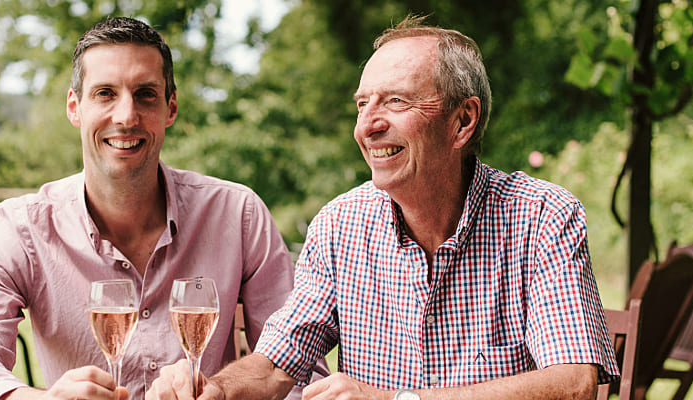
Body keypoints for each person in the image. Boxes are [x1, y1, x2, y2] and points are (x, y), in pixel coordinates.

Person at [147, 15, 619, 400]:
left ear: (462, 121)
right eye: (361, 104)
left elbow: (574, 382)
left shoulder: (541, 215)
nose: (368, 125)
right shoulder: (340, 224)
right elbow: (275, 364)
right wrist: (217, 388)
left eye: (395, 101)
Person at [0, 17, 318, 400]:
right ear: (75, 108)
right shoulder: (18, 228)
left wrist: (222, 388)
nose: (126, 116)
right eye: (104, 93)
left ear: (170, 108)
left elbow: (300, 366)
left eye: (145, 94)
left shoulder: (239, 214)